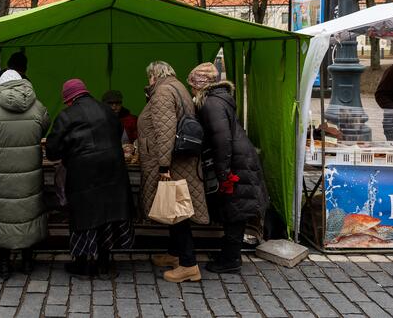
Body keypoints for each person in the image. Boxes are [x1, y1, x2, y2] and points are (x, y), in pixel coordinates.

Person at [46, 78, 134, 277]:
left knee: (85, 218)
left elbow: (53, 150)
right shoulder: (107, 111)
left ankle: (83, 264)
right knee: (107, 216)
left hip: (83, 173)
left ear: (68, 99)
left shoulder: (66, 116)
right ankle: (104, 262)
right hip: (113, 171)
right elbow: (119, 133)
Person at [187, 63, 269, 273]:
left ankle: (231, 259)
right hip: (239, 159)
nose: (191, 90)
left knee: (235, 209)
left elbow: (221, 140)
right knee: (233, 208)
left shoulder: (211, 104)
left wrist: (224, 174)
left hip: (234, 163)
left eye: (192, 86)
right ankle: (228, 253)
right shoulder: (219, 99)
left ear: (200, 85)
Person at [0, 70, 50, 279]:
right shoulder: (38, 108)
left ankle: (4, 264)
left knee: (1, 217)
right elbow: (44, 130)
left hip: (0, 177)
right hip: (29, 174)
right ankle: (27, 262)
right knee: (27, 214)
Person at [137, 61, 209, 283]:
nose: (148, 81)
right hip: (181, 161)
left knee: (177, 211)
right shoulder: (177, 87)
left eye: (149, 77)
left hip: (172, 164)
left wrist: (163, 166)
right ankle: (175, 254)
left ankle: (188, 265)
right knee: (174, 208)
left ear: (154, 75)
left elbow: (165, 132)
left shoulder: (162, 92)